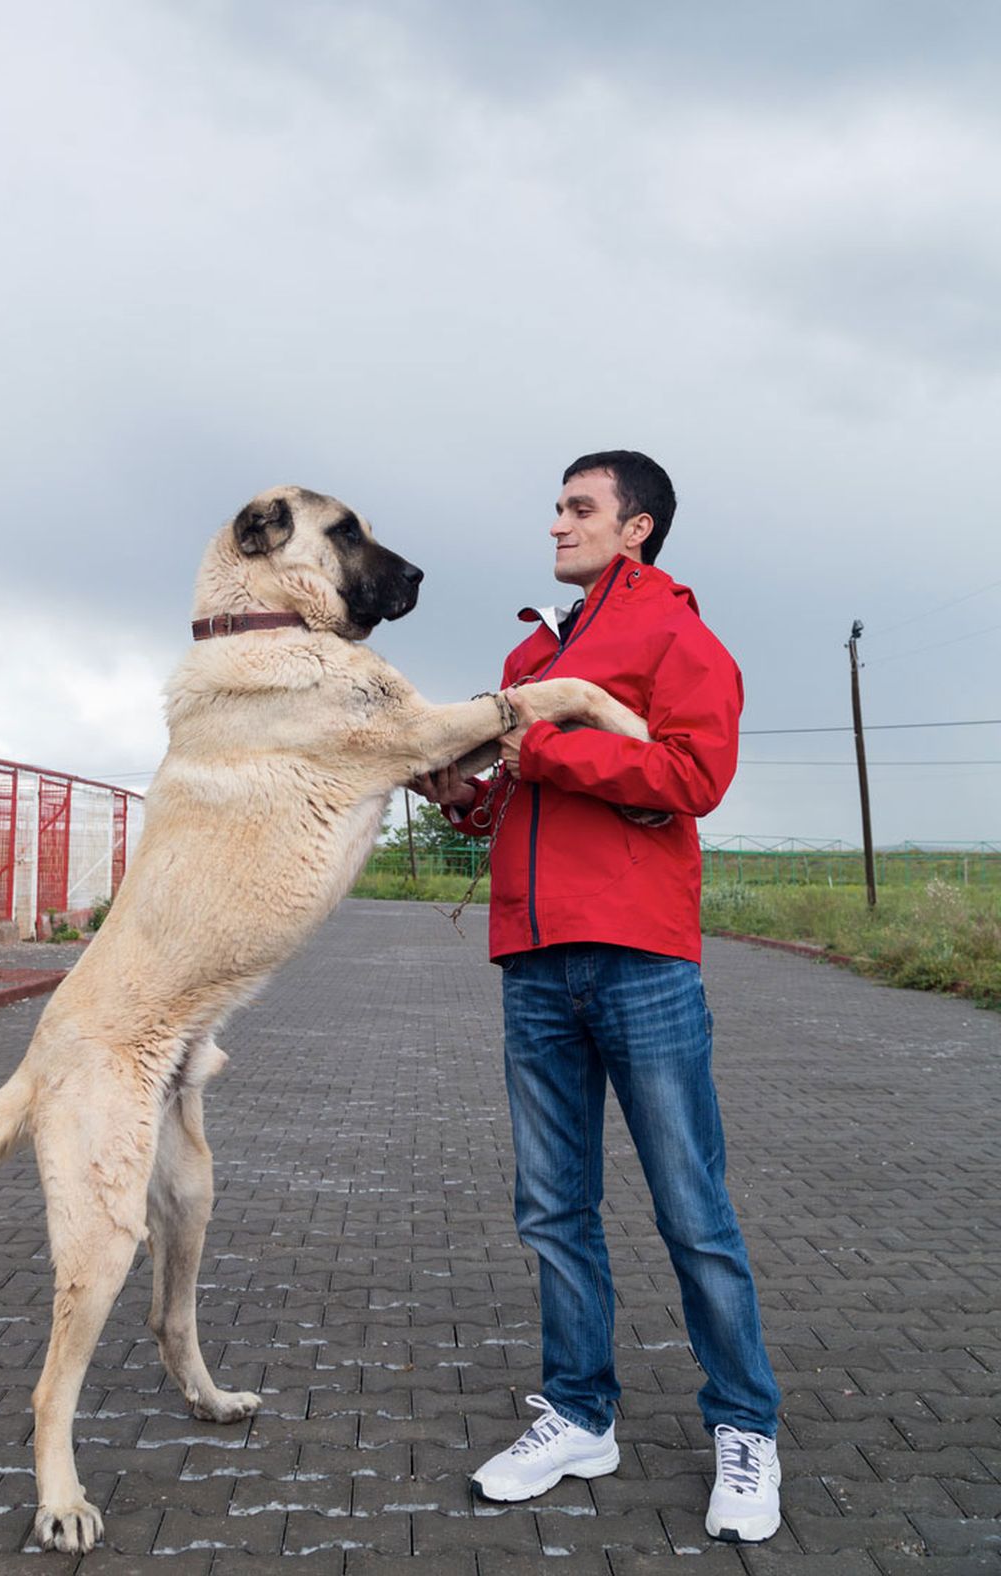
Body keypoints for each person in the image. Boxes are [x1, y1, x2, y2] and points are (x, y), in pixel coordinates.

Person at [413, 450, 782, 1546]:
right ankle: (579, 1415)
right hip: (533, 961)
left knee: (692, 1210)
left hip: (639, 957)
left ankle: (746, 1426)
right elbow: (526, 798)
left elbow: (691, 781)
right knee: (551, 1208)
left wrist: (555, 750)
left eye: (580, 509)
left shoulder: (680, 638)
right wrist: (464, 796)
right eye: (556, 507)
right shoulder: (534, 651)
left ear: (638, 530)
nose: (557, 525)